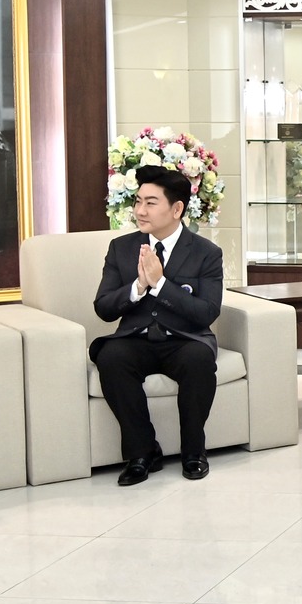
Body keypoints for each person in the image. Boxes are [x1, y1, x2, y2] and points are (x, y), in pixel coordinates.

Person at [91, 165, 228, 485]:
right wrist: (138, 287)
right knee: (111, 357)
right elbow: (104, 308)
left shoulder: (207, 253)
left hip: (185, 339)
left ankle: (194, 451)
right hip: (136, 338)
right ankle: (142, 453)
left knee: (198, 360)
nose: (140, 210)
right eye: (138, 201)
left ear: (177, 209)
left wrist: (161, 285)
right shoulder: (121, 248)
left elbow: (207, 312)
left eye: (150, 203)